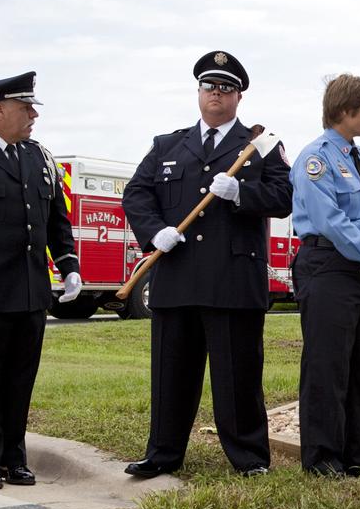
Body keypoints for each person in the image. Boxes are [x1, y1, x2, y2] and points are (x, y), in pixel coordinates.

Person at [121, 51, 292, 478]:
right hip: (177, 277)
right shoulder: (168, 144)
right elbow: (137, 193)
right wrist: (154, 230)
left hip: (232, 279)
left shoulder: (260, 146)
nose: (217, 94)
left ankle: (249, 458)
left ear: (239, 97)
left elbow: (286, 199)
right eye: (209, 87)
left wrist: (241, 193)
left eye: (226, 88)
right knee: (171, 374)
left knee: (237, 376)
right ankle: (162, 454)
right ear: (199, 92)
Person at [0, 72, 81, 489]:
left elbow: (56, 220)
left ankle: (15, 457)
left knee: (19, 378)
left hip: (31, 290)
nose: (33, 114)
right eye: (25, 107)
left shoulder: (38, 157)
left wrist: (68, 266)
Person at [291, 74, 360, 477]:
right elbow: (330, 220)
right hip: (329, 267)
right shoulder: (316, 158)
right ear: (344, 111)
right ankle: (323, 458)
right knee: (328, 364)